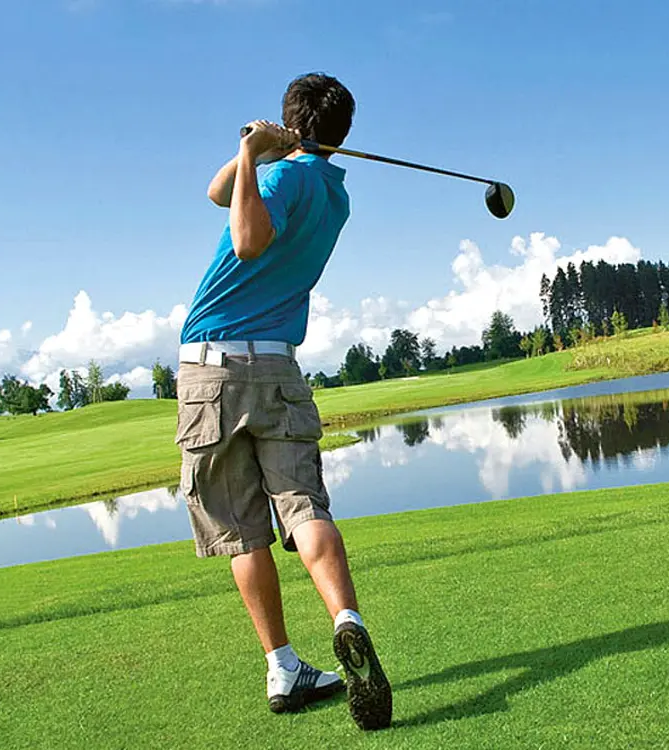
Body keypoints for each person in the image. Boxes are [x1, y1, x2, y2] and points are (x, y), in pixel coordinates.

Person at [174, 72, 392, 731]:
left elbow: (245, 240)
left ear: (290, 121)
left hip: (213, 367)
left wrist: (253, 153)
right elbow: (217, 193)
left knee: (242, 527)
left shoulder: (277, 180)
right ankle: (345, 619)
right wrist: (254, 147)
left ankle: (281, 661)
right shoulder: (332, 193)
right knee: (304, 508)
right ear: (342, 133)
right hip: (278, 364)